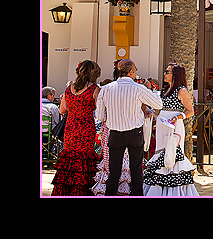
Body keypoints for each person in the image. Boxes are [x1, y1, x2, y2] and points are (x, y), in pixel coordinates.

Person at [94, 59, 162, 196]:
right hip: (134, 133)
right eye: (135, 70)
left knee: (113, 171)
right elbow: (158, 104)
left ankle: (110, 195)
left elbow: (100, 116)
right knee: (136, 170)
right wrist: (150, 90)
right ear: (131, 71)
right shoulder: (138, 88)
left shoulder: (106, 89)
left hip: (115, 134)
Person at [143, 62, 199, 196]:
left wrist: (179, 116)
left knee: (172, 154)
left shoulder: (182, 90)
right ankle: (159, 189)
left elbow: (190, 110)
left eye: (167, 72)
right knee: (161, 154)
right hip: (163, 127)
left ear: (175, 75)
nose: (164, 74)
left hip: (174, 127)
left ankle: (174, 191)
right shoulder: (165, 90)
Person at [52, 60, 102, 196]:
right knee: (84, 159)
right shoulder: (94, 89)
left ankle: (65, 191)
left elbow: (62, 110)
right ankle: (81, 191)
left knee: (69, 158)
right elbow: (101, 111)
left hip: (71, 126)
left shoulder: (69, 89)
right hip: (86, 127)